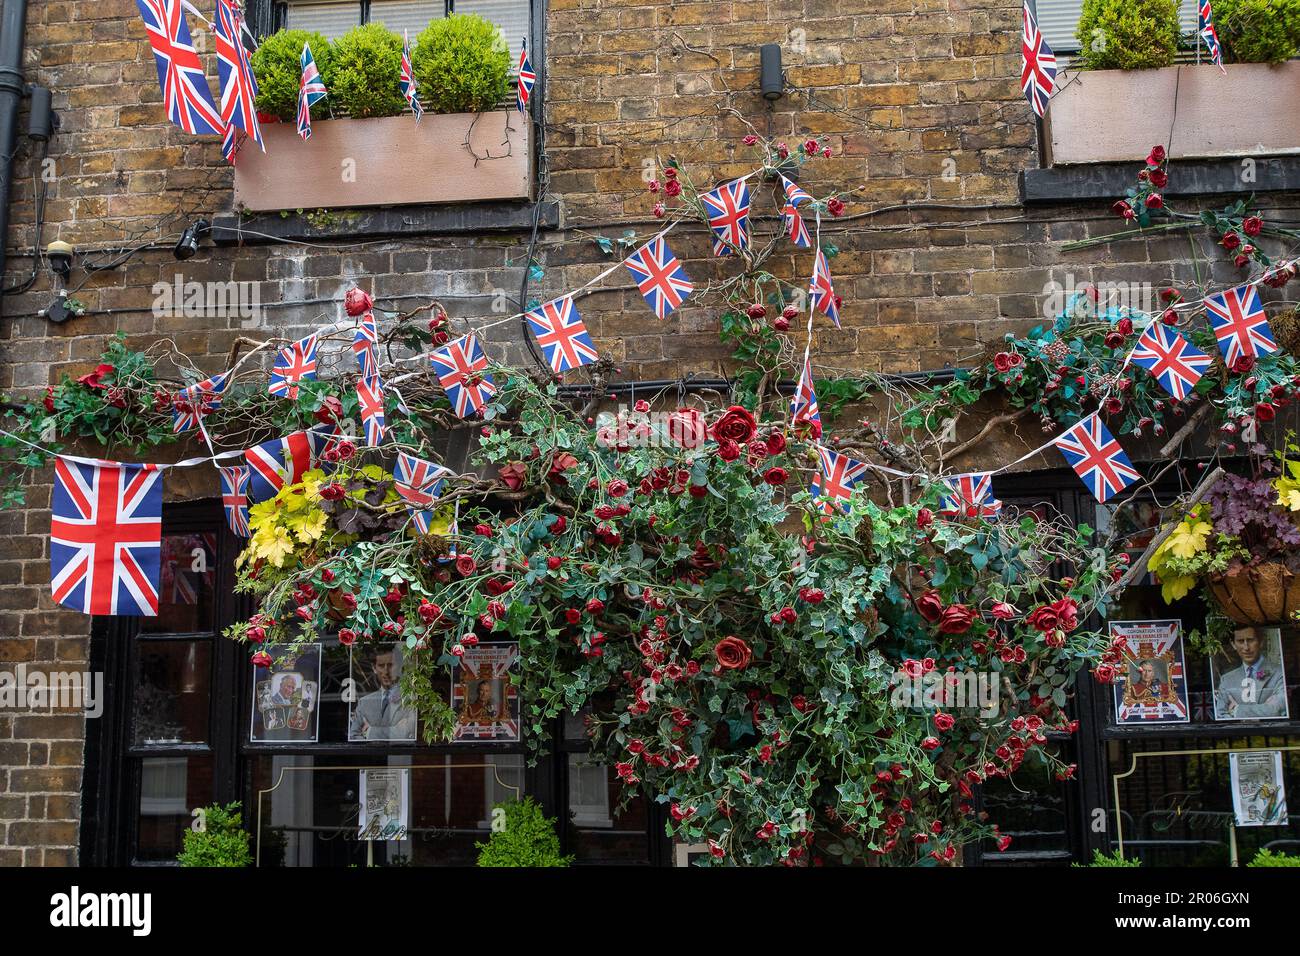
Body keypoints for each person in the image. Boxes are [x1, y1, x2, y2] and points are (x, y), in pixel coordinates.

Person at [1215, 627, 1288, 719]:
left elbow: (1276, 709)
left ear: (1261, 642)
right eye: (1241, 641)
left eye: (1250, 640)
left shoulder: (1279, 673)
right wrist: (1264, 709)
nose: (1246, 648)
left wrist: (1236, 710)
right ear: (1233, 644)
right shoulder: (1227, 679)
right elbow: (1220, 714)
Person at [350, 647, 416, 741]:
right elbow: (353, 736)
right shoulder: (364, 702)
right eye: (381, 666)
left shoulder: (411, 698)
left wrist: (369, 731)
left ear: (400, 667)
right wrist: (396, 730)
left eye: (390, 665)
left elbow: (407, 733)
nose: (386, 672)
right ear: (374, 668)